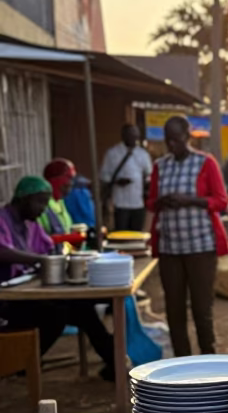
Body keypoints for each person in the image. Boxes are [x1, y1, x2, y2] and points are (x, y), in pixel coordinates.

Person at [0, 177, 116, 377]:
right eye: (40, 202)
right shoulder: (3, 218)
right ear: (24, 199)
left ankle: (113, 364)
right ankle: (24, 361)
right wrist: (38, 260)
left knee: (81, 307)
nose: (43, 209)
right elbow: (2, 251)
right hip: (7, 301)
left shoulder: (31, 224)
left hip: (29, 292)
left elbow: (49, 248)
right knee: (57, 313)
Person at [146, 115, 228, 357]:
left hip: (201, 247)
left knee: (202, 308)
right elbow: (150, 202)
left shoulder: (205, 163)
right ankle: (181, 360)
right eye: (168, 140)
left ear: (187, 136)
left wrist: (189, 200)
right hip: (170, 249)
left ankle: (208, 357)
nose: (172, 144)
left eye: (176, 139)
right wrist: (161, 202)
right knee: (174, 309)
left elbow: (221, 201)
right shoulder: (160, 166)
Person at [100, 124, 153, 233]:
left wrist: (147, 188)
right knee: (120, 234)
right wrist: (117, 181)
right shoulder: (113, 153)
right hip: (119, 203)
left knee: (136, 234)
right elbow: (104, 176)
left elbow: (149, 175)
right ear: (123, 136)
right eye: (131, 135)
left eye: (135, 135)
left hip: (138, 203)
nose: (134, 138)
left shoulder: (143, 154)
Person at [39, 159, 75, 235]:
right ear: (56, 180)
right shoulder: (42, 205)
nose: (71, 183)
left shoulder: (60, 201)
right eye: (69, 178)